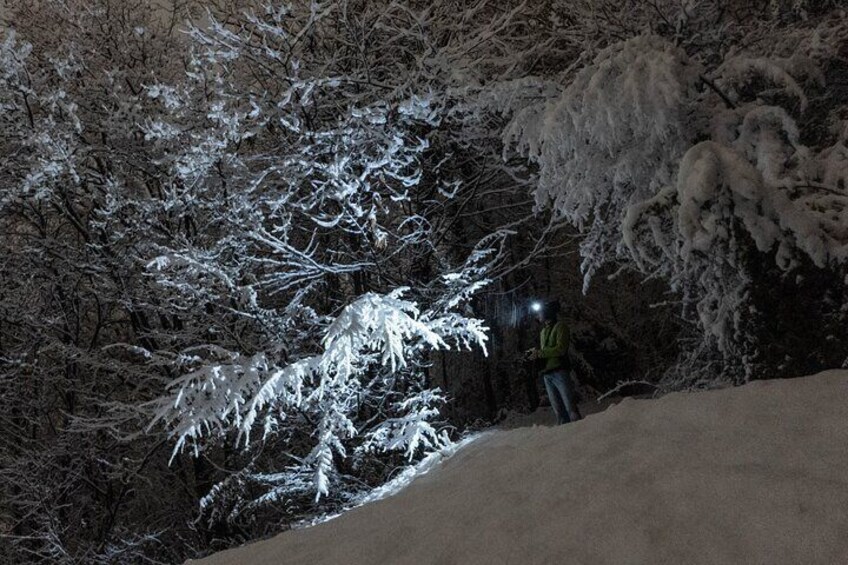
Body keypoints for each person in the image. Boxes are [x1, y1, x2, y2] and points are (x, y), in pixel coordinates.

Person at [527, 300, 582, 425]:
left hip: (560, 371)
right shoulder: (543, 332)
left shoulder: (561, 327)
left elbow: (561, 349)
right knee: (558, 410)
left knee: (570, 407)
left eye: (540, 313)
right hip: (547, 373)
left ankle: (580, 432)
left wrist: (540, 353)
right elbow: (547, 351)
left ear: (547, 313)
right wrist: (536, 354)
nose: (538, 316)